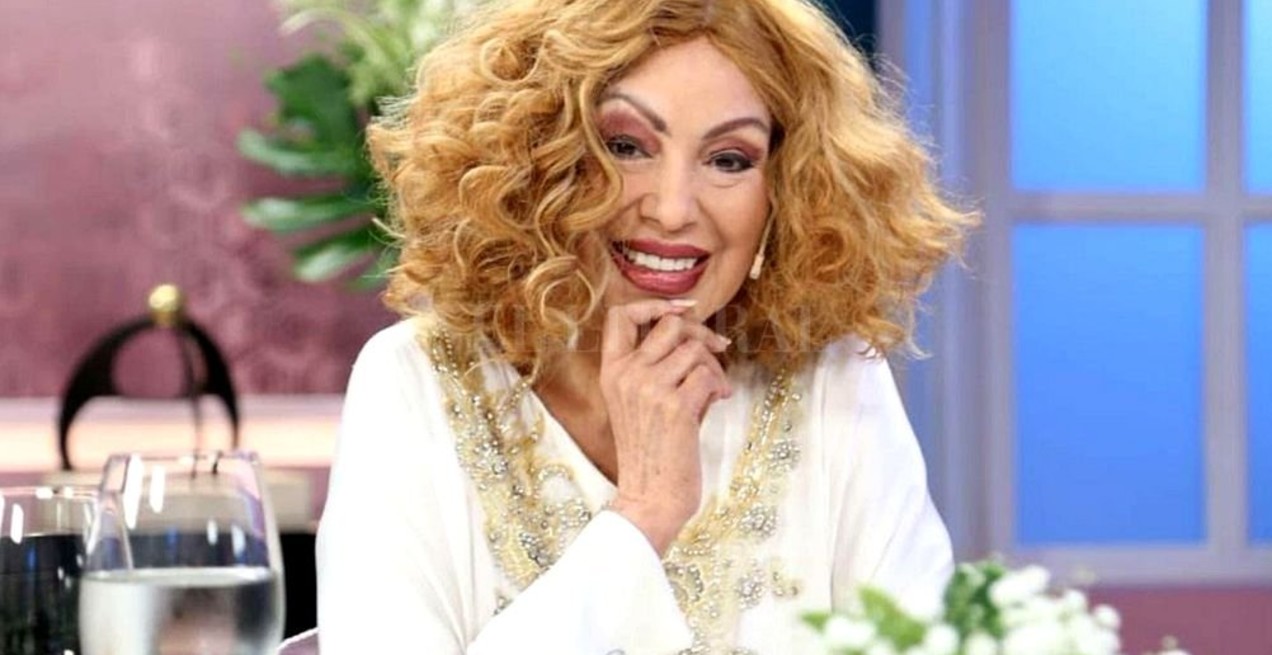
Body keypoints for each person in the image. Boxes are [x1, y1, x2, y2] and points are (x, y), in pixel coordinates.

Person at [315, 0, 975, 652]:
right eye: (626, 147)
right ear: (538, 158)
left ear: (786, 190)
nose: (673, 209)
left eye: (729, 159)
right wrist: (644, 512)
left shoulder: (833, 378)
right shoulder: (416, 380)